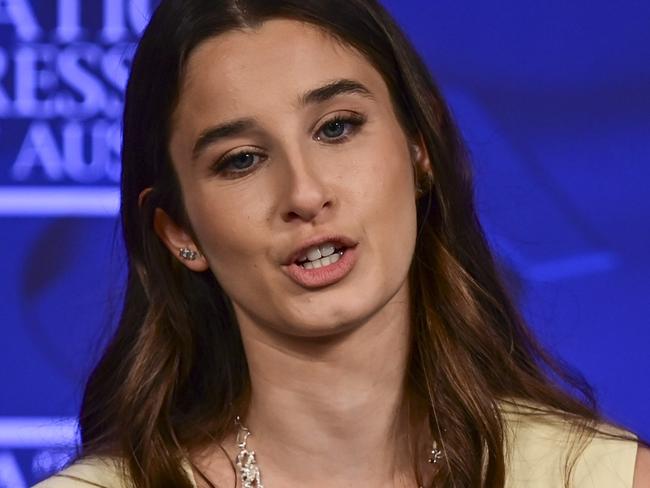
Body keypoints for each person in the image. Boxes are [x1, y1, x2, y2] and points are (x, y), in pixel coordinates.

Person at [34, 0, 649, 487]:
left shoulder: (599, 478)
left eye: (337, 127)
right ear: (180, 233)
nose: (304, 193)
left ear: (419, 151)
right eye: (242, 160)